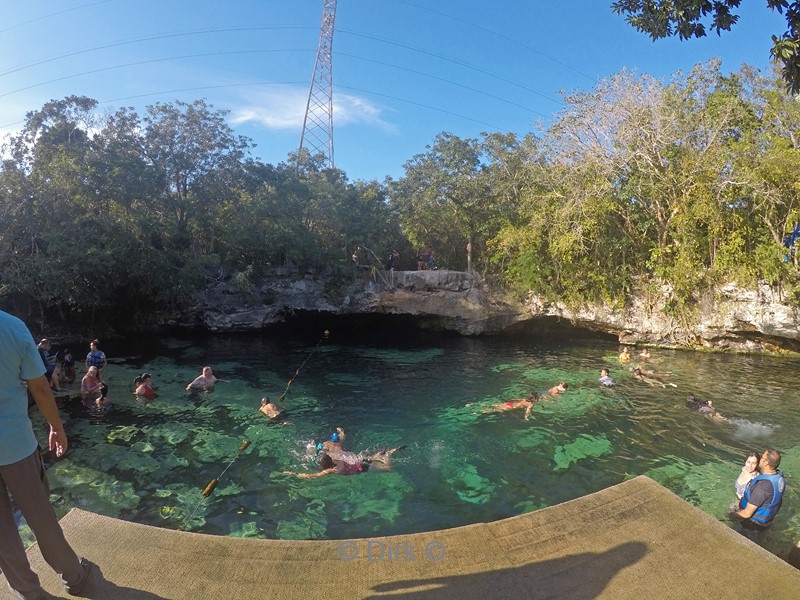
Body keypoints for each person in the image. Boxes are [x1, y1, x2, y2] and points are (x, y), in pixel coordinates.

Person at [0, 310, 93, 599]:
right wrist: (57, 428)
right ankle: (74, 577)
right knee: (40, 516)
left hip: (15, 445)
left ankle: (29, 592)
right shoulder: (12, 327)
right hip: (15, 445)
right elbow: (39, 387)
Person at [734, 449, 785, 541]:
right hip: (764, 523)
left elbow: (746, 514)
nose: (760, 458)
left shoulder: (762, 487)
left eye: (762, 457)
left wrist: (731, 515)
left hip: (752, 526)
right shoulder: (779, 478)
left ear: (765, 463)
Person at [472, 392, 539, 421]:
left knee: (492, 405)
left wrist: (509, 401)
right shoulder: (531, 404)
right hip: (510, 407)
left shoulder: (524, 399)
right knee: (493, 410)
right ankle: (477, 412)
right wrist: (526, 418)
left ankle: (473, 404)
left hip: (509, 404)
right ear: (535, 399)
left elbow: (515, 399)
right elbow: (527, 411)